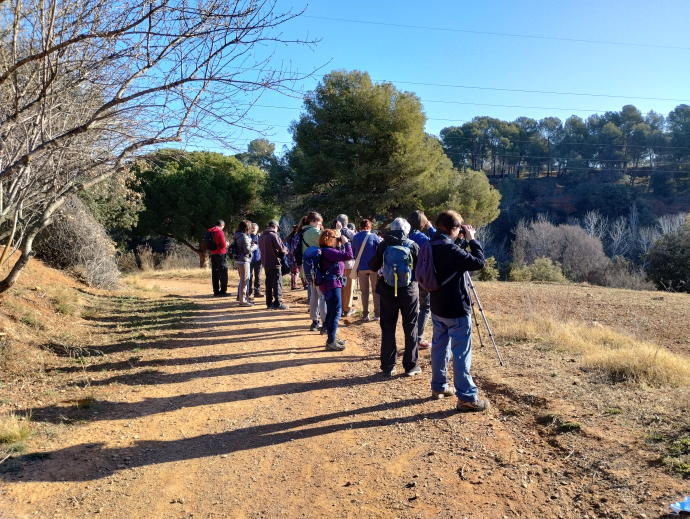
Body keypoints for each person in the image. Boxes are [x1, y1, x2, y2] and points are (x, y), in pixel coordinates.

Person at [428, 210, 488, 412]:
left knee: (439, 347)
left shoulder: (431, 244)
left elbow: (452, 259)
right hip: (456, 309)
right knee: (461, 352)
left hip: (437, 306)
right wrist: (472, 241)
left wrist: (460, 241)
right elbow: (478, 263)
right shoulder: (451, 251)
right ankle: (467, 397)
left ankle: (439, 387)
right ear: (454, 229)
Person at [368, 217, 421, 377]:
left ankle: (388, 366)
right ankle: (411, 366)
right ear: (407, 231)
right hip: (409, 292)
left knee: (388, 327)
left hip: (387, 291)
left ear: (392, 229)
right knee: (411, 327)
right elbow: (420, 270)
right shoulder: (413, 245)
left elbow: (373, 265)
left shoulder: (384, 245)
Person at [318, 229, 353, 351]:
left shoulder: (326, 251)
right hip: (332, 285)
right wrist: (347, 243)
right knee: (336, 311)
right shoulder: (329, 252)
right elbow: (349, 256)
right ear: (331, 240)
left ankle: (331, 337)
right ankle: (330, 341)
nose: (338, 241)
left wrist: (339, 245)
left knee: (332, 311)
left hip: (330, 284)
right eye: (336, 238)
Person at [407, 210, 437, 351]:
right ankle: (418, 339)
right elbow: (439, 241)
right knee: (425, 307)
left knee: (412, 308)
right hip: (422, 278)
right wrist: (430, 227)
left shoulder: (405, 235)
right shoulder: (422, 238)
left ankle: (410, 337)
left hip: (406, 279)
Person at [300, 212, 327, 331]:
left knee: (314, 296)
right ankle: (325, 323)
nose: (320, 225)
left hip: (307, 267)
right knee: (321, 296)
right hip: (317, 267)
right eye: (319, 222)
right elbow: (328, 241)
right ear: (313, 221)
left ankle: (315, 322)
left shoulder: (303, 230)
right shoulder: (313, 231)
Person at [351, 219, 381, 321]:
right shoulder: (374, 236)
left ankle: (365, 314)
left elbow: (354, 252)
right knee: (375, 291)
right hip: (373, 267)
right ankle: (377, 313)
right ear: (369, 227)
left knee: (364, 292)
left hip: (361, 267)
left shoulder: (355, 237)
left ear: (360, 227)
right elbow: (379, 250)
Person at [258, 220, 290, 310]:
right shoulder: (273, 236)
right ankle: (278, 303)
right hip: (275, 262)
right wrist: (287, 250)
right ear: (275, 226)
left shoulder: (262, 236)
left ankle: (269, 303)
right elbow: (281, 248)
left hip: (266, 262)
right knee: (277, 283)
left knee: (268, 283)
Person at [334, 214, 357, 317]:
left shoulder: (334, 232)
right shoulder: (351, 233)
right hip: (349, 263)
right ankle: (347, 309)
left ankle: (339, 307)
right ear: (347, 222)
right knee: (349, 286)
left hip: (337, 263)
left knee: (340, 286)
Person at [233, 220, 257, 307]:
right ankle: (243, 301)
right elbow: (247, 250)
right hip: (244, 260)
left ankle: (244, 299)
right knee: (244, 281)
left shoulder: (237, 235)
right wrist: (254, 247)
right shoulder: (244, 236)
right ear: (247, 227)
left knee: (243, 281)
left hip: (237, 260)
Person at [208, 219, 228, 297]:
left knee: (215, 272)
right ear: (222, 225)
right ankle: (223, 291)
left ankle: (215, 291)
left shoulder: (210, 231)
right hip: (221, 253)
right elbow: (223, 245)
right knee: (223, 272)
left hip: (213, 253)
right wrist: (227, 243)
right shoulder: (220, 232)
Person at [286, 224, 308, 290]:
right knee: (301, 270)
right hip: (297, 255)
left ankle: (293, 284)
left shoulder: (289, 236)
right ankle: (305, 284)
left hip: (291, 256)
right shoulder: (297, 236)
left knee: (294, 271)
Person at [249, 223, 262, 298]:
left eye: (254, 228)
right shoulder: (247, 236)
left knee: (258, 277)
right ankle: (249, 292)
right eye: (251, 228)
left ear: (257, 229)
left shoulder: (260, 237)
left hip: (258, 259)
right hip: (249, 260)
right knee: (249, 276)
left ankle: (257, 292)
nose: (252, 229)